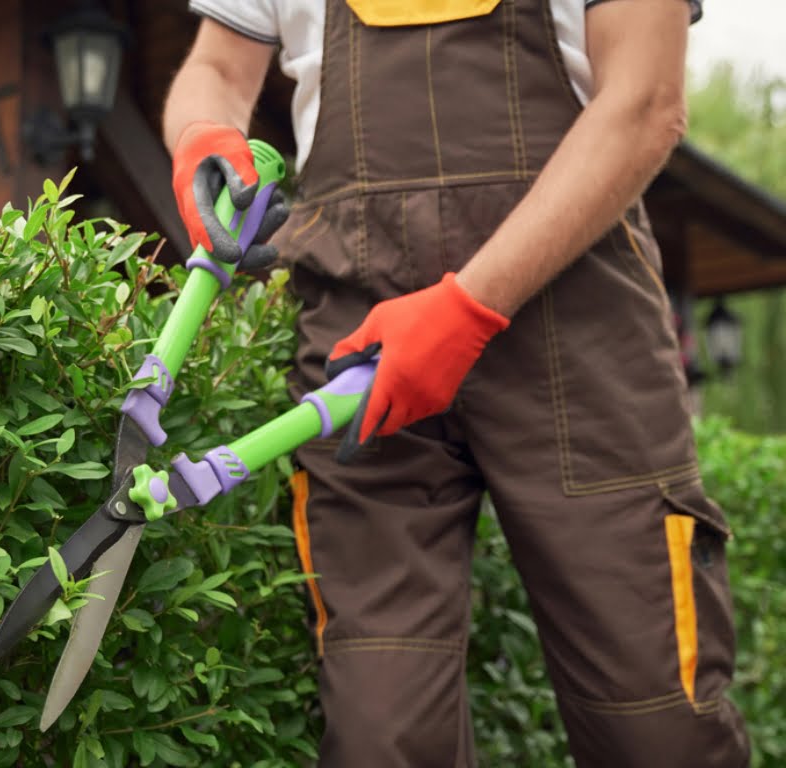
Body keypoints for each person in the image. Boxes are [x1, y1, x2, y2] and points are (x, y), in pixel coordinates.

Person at [161, 0, 751, 766]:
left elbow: (644, 103)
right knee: (382, 738)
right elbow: (215, 66)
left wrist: (468, 308)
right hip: (360, 349)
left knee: (656, 728)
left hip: (581, 334)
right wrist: (202, 134)